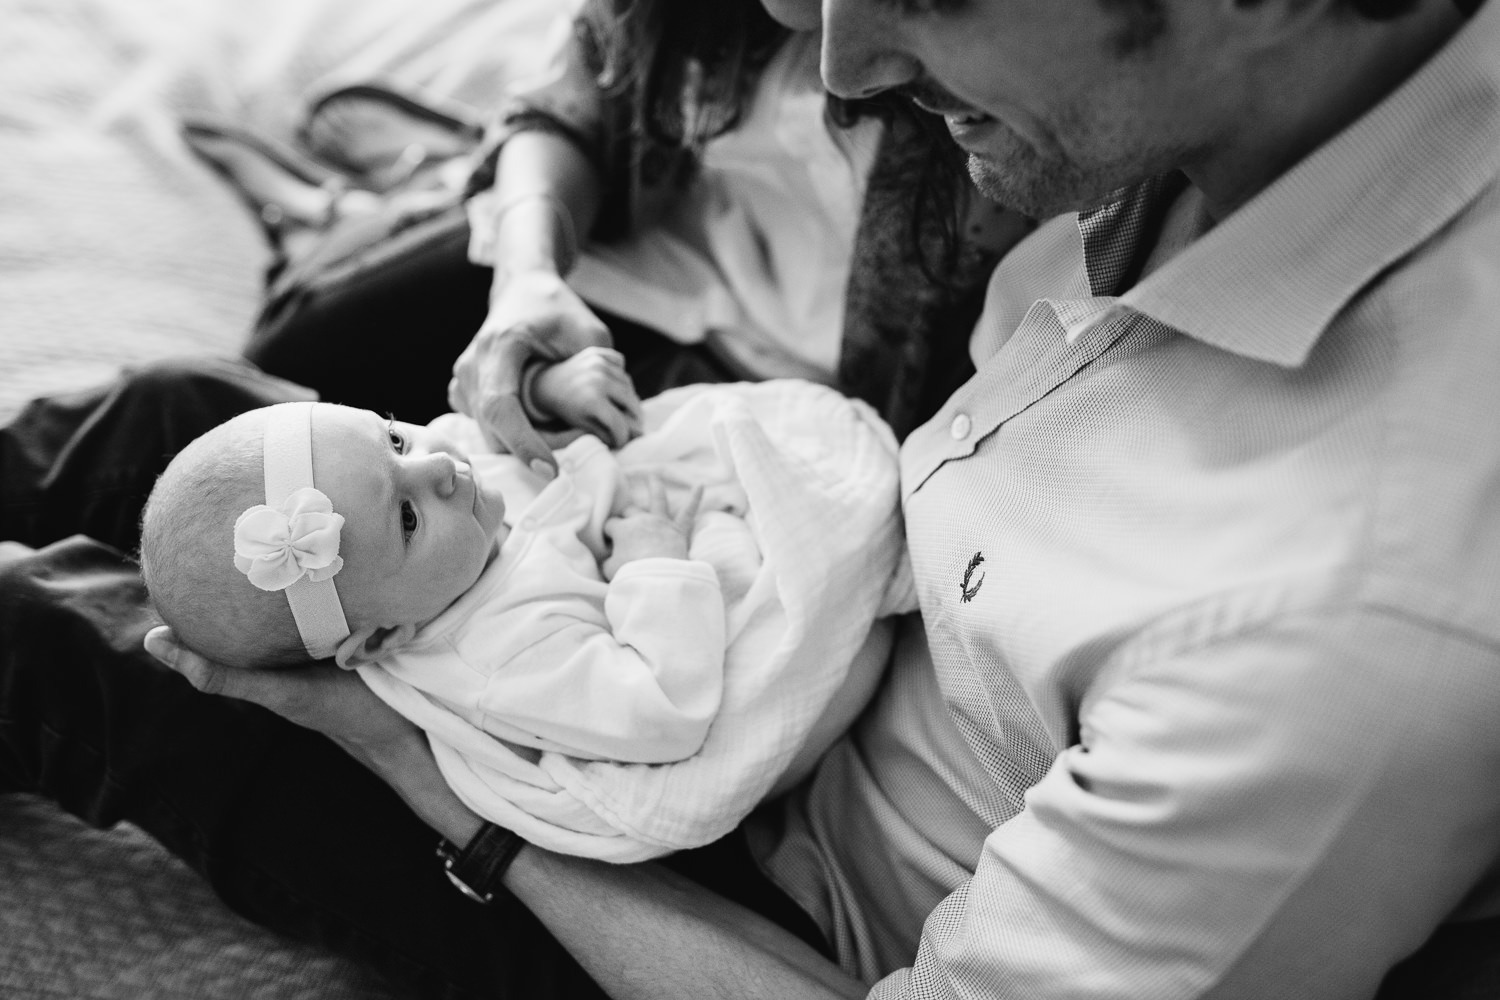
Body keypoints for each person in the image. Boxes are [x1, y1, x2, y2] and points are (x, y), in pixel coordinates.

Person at [5, 0, 1500, 997]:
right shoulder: (1171, 132)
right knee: (192, 417)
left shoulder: (1347, 627)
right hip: (790, 619)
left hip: (726, 901)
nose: (844, 72)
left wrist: (413, 764)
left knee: (93, 662)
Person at [138, 375, 907, 860]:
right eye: (406, 516)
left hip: (605, 518)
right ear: (381, 638)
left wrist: (550, 393)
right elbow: (661, 706)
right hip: (677, 612)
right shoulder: (501, 655)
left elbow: (488, 431)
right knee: (813, 542)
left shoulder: (446, 512)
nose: (438, 467)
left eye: (394, 437)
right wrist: (651, 560)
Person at [238, 0, 1028, 465]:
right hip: (622, 258)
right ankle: (419, 187)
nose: (838, 63)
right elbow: (578, 93)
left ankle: (410, 188)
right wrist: (527, 277)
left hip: (789, 399)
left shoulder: (1031, 104)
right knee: (284, 356)